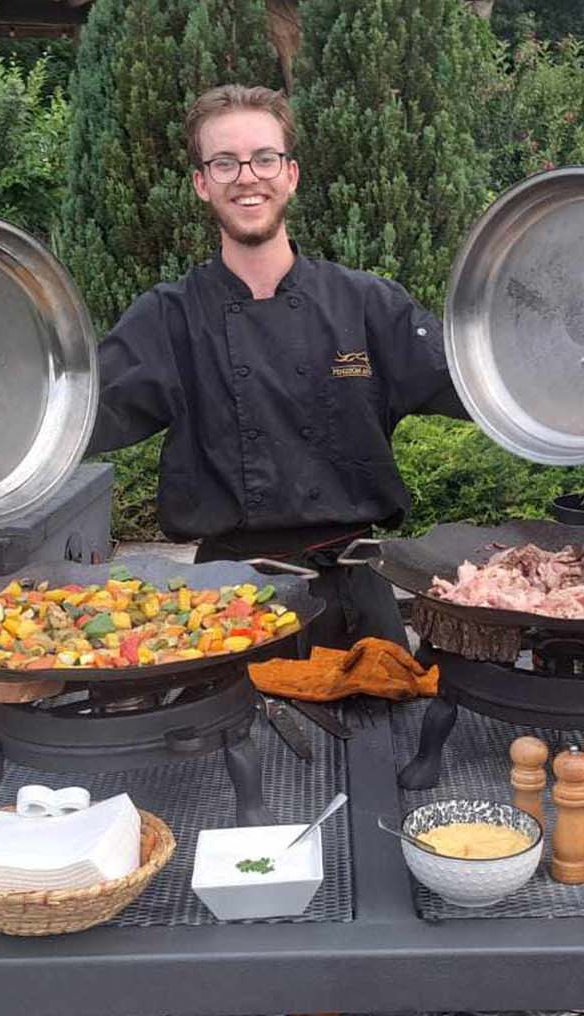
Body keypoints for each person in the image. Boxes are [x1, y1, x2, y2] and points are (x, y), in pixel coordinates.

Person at [87, 84, 469, 651]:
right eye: (225, 162)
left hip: (358, 599)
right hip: (226, 607)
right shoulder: (168, 317)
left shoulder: (367, 305)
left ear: (290, 174)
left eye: (264, 158)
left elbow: (481, 386)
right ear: (202, 183)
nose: (247, 177)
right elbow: (76, 418)